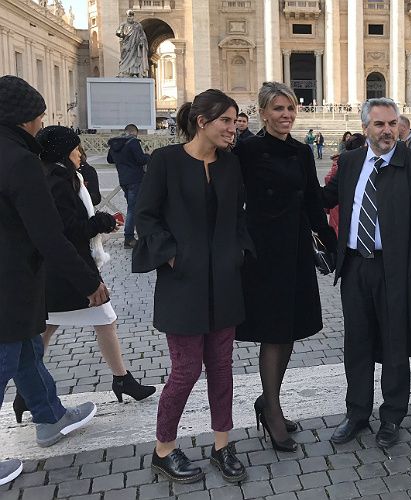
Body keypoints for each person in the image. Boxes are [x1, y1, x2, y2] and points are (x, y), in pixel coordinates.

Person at [132, 89, 253, 484]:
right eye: (226, 122)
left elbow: (238, 216)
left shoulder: (231, 164)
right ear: (202, 121)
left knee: (222, 368)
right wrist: (171, 256)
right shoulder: (166, 161)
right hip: (182, 284)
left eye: (235, 122)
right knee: (185, 371)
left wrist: (239, 252)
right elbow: (146, 217)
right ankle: (163, 449)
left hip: (225, 283)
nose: (232, 130)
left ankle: (223, 445)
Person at [0, 75, 103, 486]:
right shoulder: (20, 161)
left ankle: (50, 416)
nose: (42, 126)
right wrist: (87, 281)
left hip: (14, 281)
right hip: (10, 280)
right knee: (4, 360)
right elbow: (48, 232)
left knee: (26, 350)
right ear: (25, 119)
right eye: (40, 118)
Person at [17, 126, 155, 423]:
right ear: (66, 152)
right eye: (77, 149)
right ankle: (120, 379)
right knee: (101, 320)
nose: (81, 153)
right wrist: (101, 222)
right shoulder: (57, 180)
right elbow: (67, 230)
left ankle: (28, 391)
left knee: (52, 326)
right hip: (71, 270)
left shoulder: (57, 175)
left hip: (62, 270)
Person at [322, 98, 411, 448]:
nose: (387, 130)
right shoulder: (351, 161)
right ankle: (357, 414)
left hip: (396, 269)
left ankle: (391, 417)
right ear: (365, 129)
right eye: (379, 124)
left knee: (394, 344)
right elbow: (324, 199)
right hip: (356, 265)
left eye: (392, 124)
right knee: (357, 343)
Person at [233, 82, 337, 453]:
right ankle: (273, 411)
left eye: (291, 109)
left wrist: (331, 239)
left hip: (294, 251)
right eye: (279, 109)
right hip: (261, 254)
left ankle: (268, 400)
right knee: (273, 332)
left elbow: (313, 201)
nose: (286, 116)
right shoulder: (245, 150)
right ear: (262, 112)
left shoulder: (301, 151)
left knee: (289, 329)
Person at [107, 123, 150, 248]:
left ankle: (136, 234)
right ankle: (129, 238)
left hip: (123, 180)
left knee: (132, 207)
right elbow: (141, 160)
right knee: (133, 209)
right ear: (134, 132)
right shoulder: (133, 142)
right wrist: (148, 154)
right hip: (136, 179)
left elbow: (110, 160)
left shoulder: (115, 143)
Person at [324, 133, 367, 235]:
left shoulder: (341, 160)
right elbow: (329, 181)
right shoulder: (345, 162)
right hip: (340, 206)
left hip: (338, 207)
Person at [115, 10, 149, 77]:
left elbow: (142, 35)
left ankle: (135, 71)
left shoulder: (138, 25)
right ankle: (124, 71)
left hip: (135, 45)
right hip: (126, 44)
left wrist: (141, 41)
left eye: (131, 16)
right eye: (128, 16)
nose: (130, 18)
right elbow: (118, 32)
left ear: (133, 17)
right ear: (127, 17)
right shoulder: (123, 24)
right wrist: (122, 34)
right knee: (124, 57)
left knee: (135, 58)